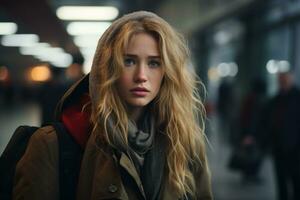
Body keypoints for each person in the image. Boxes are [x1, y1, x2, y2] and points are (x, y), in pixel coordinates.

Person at [12, 11, 213, 200]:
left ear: (167, 72)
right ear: (107, 68)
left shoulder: (184, 142)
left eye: (154, 63)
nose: (141, 76)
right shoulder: (52, 145)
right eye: (129, 61)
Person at [264, 71, 300, 200]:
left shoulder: (297, 98)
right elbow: (267, 121)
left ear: (291, 80)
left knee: (296, 182)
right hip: (278, 148)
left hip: (296, 150)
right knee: (281, 182)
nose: (283, 83)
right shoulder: (275, 100)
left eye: (285, 80)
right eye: (281, 80)